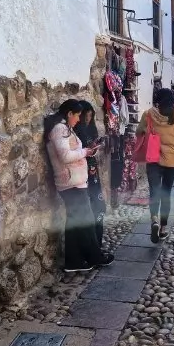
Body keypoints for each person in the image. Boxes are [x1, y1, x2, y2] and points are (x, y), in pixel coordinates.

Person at [44, 99, 114, 273]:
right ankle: (95, 256)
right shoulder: (60, 129)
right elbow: (65, 156)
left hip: (74, 181)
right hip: (71, 183)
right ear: (69, 113)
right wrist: (85, 152)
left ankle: (73, 261)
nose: (78, 119)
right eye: (76, 115)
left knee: (75, 223)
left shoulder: (64, 128)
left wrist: (88, 150)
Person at [137, 88, 174, 243]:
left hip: (153, 159)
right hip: (172, 161)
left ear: (157, 100)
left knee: (154, 191)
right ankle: (163, 228)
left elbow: (139, 132)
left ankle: (154, 219)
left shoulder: (148, 114)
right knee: (166, 192)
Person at [74, 101, 106, 248]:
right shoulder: (76, 132)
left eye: (90, 116)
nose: (87, 119)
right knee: (87, 206)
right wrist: (88, 150)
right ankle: (90, 244)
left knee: (98, 205)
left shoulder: (91, 129)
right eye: (85, 116)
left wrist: (94, 147)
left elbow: (92, 150)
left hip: (92, 170)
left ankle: (97, 240)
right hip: (82, 172)